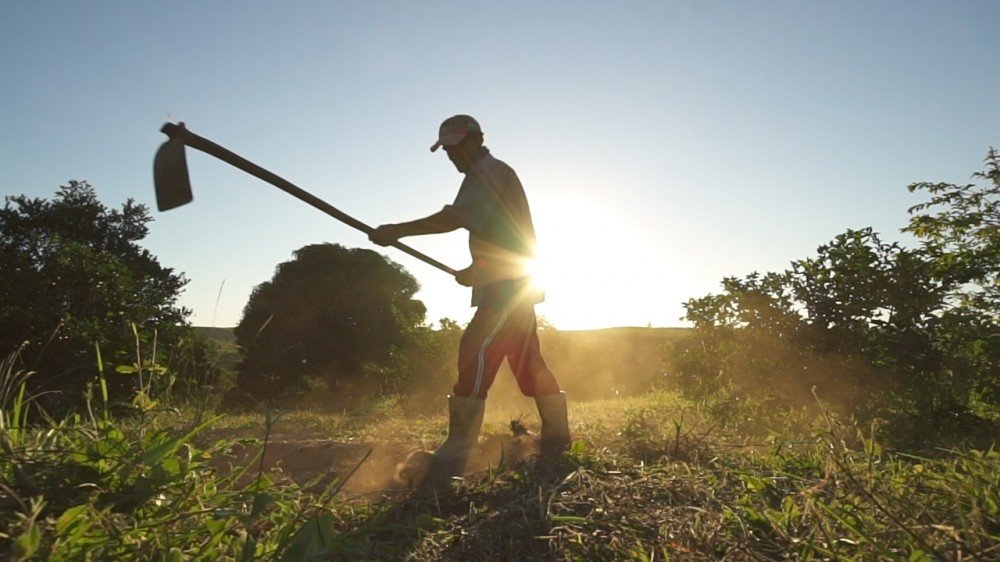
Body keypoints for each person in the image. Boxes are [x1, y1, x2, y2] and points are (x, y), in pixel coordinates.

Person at [370, 114, 570, 488]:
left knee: (476, 350)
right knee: (528, 363)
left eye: (456, 146)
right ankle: (559, 439)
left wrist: (399, 231)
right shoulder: (490, 175)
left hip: (507, 288)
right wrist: (474, 270)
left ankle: (457, 451)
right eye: (446, 149)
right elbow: (500, 232)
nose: (452, 155)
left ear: (477, 141)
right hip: (513, 281)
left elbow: (458, 217)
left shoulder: (487, 172)